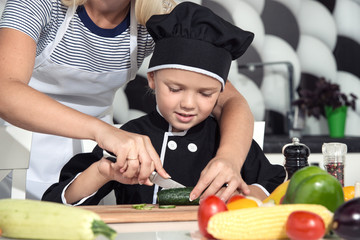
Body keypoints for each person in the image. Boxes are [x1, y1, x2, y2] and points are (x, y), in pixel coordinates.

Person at [0, 0, 254, 201]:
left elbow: (230, 100)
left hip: (92, 160)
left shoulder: (160, 14)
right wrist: (103, 132)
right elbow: (5, 91)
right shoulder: (39, 3)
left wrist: (229, 159)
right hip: (14, 154)